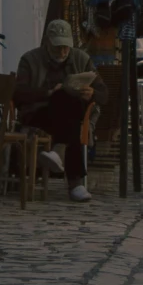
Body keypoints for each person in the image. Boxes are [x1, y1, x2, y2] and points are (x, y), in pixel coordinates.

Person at [14, 19, 101, 204]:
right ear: (47, 42)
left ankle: (58, 150)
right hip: (40, 114)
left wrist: (91, 93)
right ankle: (75, 183)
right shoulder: (30, 59)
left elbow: (105, 94)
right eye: (57, 47)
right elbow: (19, 94)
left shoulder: (81, 59)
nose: (62, 52)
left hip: (71, 114)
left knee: (70, 103)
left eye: (66, 47)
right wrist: (48, 92)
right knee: (63, 98)